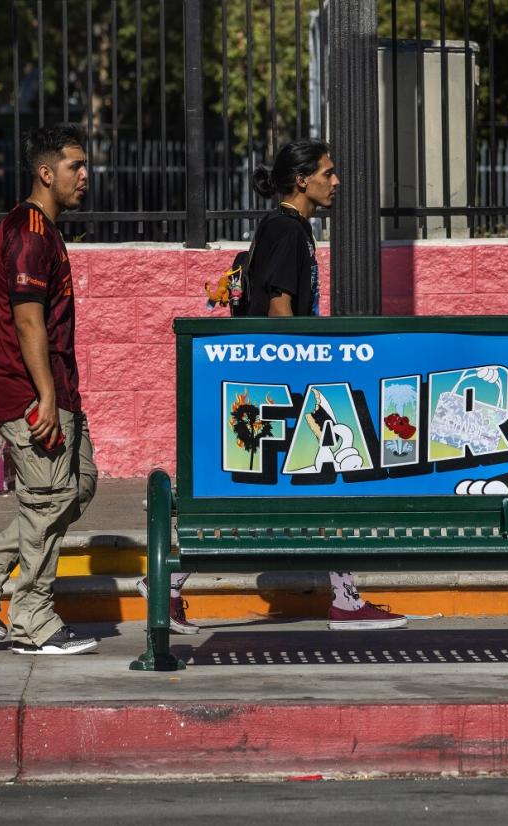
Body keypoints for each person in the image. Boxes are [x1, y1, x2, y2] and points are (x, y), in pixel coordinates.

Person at [142, 138, 406, 632]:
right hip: (289, 388)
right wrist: (309, 386)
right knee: (294, 490)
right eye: (328, 173)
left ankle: (343, 597)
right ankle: (168, 584)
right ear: (302, 180)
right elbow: (279, 311)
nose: (336, 181)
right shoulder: (286, 230)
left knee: (311, 489)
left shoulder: (286, 228)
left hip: (282, 387)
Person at [0, 124, 99, 655]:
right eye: (75, 166)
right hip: (33, 391)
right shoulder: (32, 231)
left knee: (76, 487)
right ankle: (32, 621)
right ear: (45, 172)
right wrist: (48, 398)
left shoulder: (43, 230)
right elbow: (29, 321)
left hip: (54, 389)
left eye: (84, 165)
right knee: (49, 496)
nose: (85, 175)